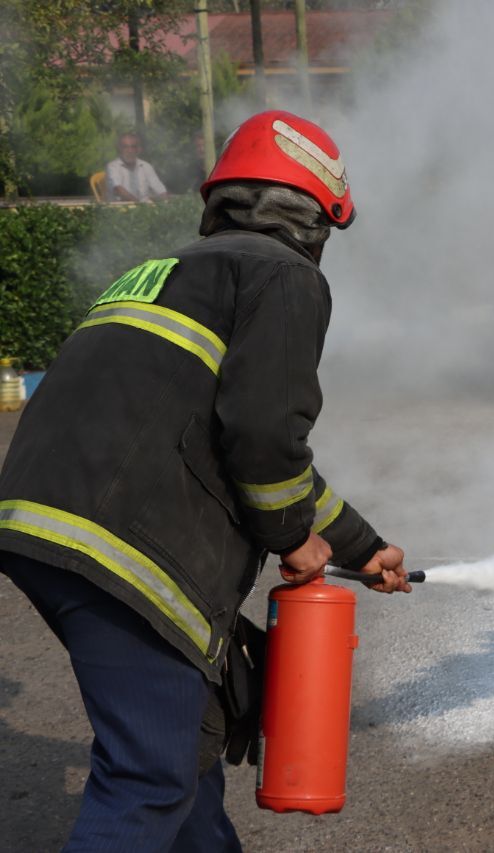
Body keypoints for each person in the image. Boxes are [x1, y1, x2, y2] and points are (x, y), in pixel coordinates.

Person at [0, 110, 411, 851]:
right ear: (319, 214)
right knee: (150, 776)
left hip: (40, 519)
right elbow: (263, 437)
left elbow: (238, 448)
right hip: (125, 541)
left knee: (181, 752)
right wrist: (292, 537)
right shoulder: (283, 274)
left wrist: (362, 545)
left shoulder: (171, 271)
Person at [105, 131, 169, 202]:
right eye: (125, 147)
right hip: (119, 209)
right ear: (119, 149)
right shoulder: (112, 167)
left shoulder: (146, 166)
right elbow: (118, 189)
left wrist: (167, 204)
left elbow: (160, 189)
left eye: (133, 147)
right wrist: (139, 206)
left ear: (138, 149)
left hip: (144, 209)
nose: (130, 151)